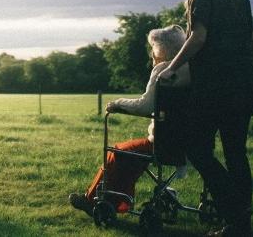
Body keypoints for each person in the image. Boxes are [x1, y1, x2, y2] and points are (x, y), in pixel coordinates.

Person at [158, 0, 253, 236]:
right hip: (244, 85)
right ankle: (241, 224)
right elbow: (249, 40)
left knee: (197, 149)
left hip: (216, 89)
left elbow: (198, 36)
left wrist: (172, 67)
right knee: (236, 155)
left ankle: (234, 210)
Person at [69, 25, 190, 217]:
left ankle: (93, 200)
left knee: (118, 151)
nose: (152, 52)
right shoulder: (191, 69)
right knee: (131, 153)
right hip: (188, 143)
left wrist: (117, 104)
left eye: (154, 47)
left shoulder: (163, 70)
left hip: (163, 143)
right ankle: (118, 201)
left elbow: (145, 106)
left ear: (163, 49)